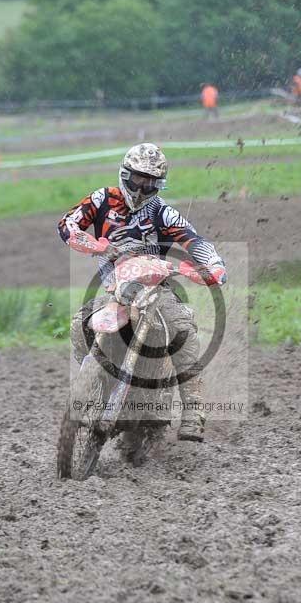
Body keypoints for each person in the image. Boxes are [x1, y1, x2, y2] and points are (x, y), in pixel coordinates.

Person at [57, 143, 227, 442]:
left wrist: (212, 266)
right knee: (78, 323)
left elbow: (194, 240)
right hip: (114, 288)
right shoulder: (102, 200)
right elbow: (68, 225)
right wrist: (99, 246)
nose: (142, 187)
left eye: (150, 182)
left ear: (159, 184)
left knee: (183, 331)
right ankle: (91, 378)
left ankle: (193, 413)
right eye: (138, 179)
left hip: (155, 291)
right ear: (126, 174)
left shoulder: (163, 213)